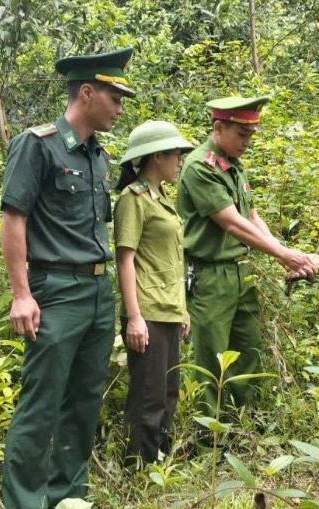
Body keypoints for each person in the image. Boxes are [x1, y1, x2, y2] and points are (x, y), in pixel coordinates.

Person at [0, 48, 135, 509]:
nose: (120, 106)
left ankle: (67, 503)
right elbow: (13, 218)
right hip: (56, 291)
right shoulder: (38, 145)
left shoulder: (99, 156)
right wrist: (22, 294)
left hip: (98, 294)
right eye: (115, 96)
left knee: (83, 403)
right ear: (86, 92)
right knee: (41, 405)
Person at [176, 96, 316, 417]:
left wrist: (283, 254)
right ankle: (207, 435)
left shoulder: (234, 165)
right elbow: (231, 222)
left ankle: (243, 425)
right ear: (218, 127)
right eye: (241, 135)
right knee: (211, 359)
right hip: (210, 276)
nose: (247, 143)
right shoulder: (201, 166)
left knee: (246, 350)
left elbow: (251, 217)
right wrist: (284, 253)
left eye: (250, 135)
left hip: (241, 272)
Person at [113, 120, 194, 464]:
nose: (179, 161)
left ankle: (161, 458)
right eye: (175, 154)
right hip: (147, 311)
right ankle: (139, 466)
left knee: (169, 392)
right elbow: (125, 260)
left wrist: (183, 309)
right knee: (149, 396)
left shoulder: (161, 198)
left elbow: (171, 261)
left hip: (169, 308)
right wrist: (134, 318)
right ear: (156, 156)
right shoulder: (133, 200)